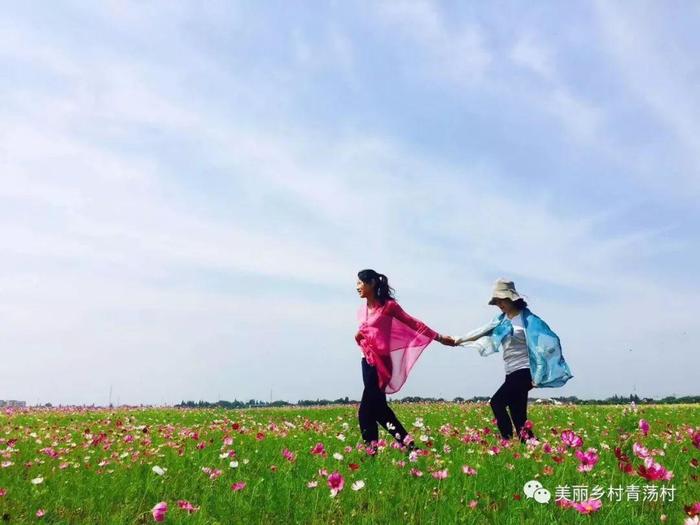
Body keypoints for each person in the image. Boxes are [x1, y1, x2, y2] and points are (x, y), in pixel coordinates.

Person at [455, 279, 573, 443]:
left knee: (496, 403)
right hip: (510, 372)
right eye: (496, 301)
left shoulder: (529, 320)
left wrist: (539, 372)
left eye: (501, 300)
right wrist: (458, 340)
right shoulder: (500, 320)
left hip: (525, 371)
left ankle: (506, 442)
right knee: (518, 416)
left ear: (511, 298)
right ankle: (531, 445)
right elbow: (482, 332)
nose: (499, 304)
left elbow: (547, 343)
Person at [355, 269, 455, 449]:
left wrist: (439, 337)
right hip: (366, 362)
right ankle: (408, 445)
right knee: (378, 409)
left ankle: (373, 452)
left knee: (365, 411)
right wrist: (359, 336)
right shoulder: (362, 310)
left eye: (360, 283)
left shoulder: (388, 306)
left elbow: (413, 323)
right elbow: (366, 331)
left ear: (371, 283)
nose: (357, 287)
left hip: (381, 364)